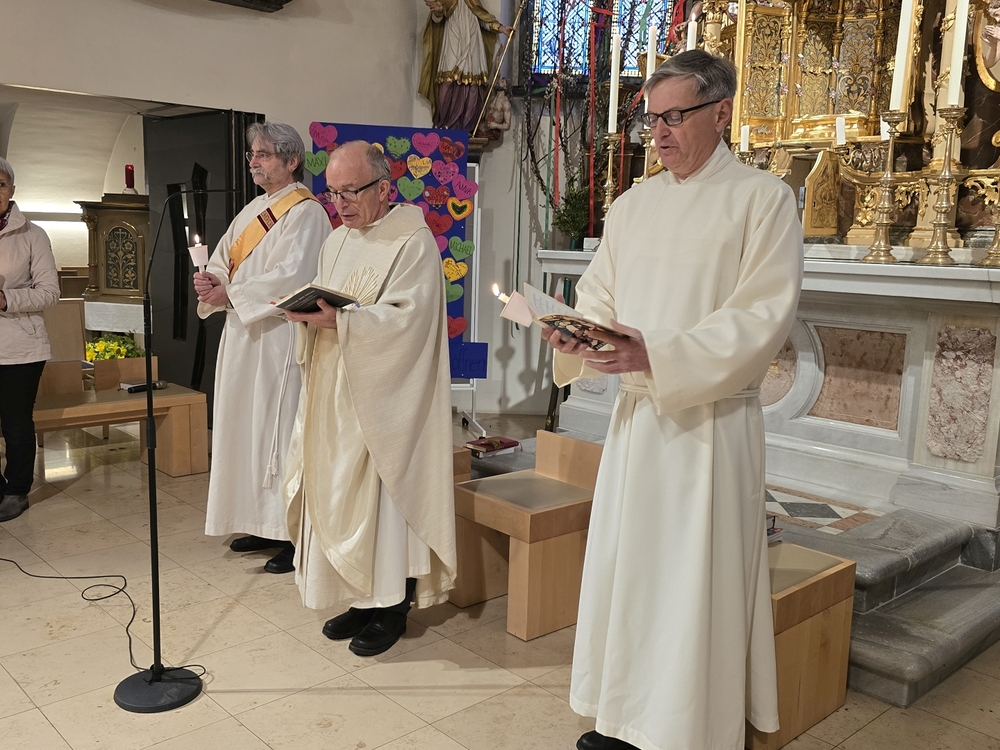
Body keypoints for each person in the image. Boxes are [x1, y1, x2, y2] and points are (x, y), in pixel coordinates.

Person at [544, 50, 803, 750]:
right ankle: (623, 715)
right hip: (639, 422)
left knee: (693, 582)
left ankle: (686, 729)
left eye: (675, 116)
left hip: (710, 427)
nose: (657, 132)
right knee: (632, 570)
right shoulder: (633, 205)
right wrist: (576, 331)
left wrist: (657, 353)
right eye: (651, 119)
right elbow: (598, 292)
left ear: (721, 113)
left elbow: (762, 315)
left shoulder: (762, 199)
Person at [282, 141, 456, 657]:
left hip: (384, 394)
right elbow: (329, 303)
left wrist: (344, 321)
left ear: (383, 188)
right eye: (333, 192)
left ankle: (391, 605)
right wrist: (305, 314)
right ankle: (361, 598)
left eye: (350, 191)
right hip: (334, 389)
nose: (340, 204)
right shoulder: (336, 241)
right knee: (337, 492)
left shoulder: (412, 241)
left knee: (382, 500)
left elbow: (411, 322)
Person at [194, 122, 331, 574]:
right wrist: (213, 281)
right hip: (243, 335)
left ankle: (292, 531)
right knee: (245, 428)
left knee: (278, 431)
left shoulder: (307, 212)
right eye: (252, 154)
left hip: (279, 337)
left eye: (264, 154)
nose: (253, 161)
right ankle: (260, 521)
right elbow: (223, 260)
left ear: (292, 161)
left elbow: (295, 276)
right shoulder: (252, 210)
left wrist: (230, 293)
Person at [0, 157, 60, 523]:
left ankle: (16, 491)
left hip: (20, 347)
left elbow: (50, 292)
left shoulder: (33, 235)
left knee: (16, 423)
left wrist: (6, 299)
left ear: (12, 190)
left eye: (0, 184)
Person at [419, 0, 513, 131]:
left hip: (473, 43)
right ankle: (444, 122)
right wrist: (439, 11)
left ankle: (467, 127)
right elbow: (436, 20)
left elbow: (483, 19)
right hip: (453, 40)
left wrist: (501, 28)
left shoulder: (473, 1)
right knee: (447, 81)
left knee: (473, 84)